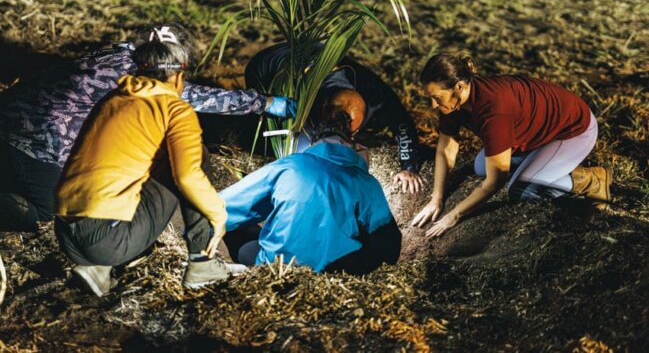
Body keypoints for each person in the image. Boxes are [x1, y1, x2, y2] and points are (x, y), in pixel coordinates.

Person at [0, 25, 296, 231]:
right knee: (50, 214)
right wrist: (265, 103)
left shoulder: (127, 57)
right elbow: (198, 97)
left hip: (24, 120)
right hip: (32, 138)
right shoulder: (130, 70)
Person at [54, 32, 246, 297]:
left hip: (66, 233)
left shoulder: (113, 100)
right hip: (108, 239)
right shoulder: (174, 109)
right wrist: (218, 214)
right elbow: (188, 176)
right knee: (192, 156)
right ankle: (202, 264)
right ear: (179, 76)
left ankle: (98, 269)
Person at [411, 53, 612, 238]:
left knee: (520, 190)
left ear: (460, 87)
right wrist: (436, 199)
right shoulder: (452, 103)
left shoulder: (493, 108)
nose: (434, 106)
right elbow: (447, 147)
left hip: (573, 130)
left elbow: (495, 182)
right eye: (431, 98)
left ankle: (591, 180)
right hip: (535, 134)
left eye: (437, 98)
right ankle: (540, 166)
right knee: (480, 166)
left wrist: (453, 216)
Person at [219, 112, 401, 275]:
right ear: (354, 146)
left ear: (313, 143)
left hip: (277, 268)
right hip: (337, 271)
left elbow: (223, 206)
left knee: (233, 223)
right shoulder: (366, 182)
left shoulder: (288, 165)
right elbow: (390, 248)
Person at [245, 42, 424, 194]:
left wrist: (408, 167)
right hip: (267, 66)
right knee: (282, 138)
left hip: (320, 58)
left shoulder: (376, 94)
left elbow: (402, 123)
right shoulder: (308, 101)